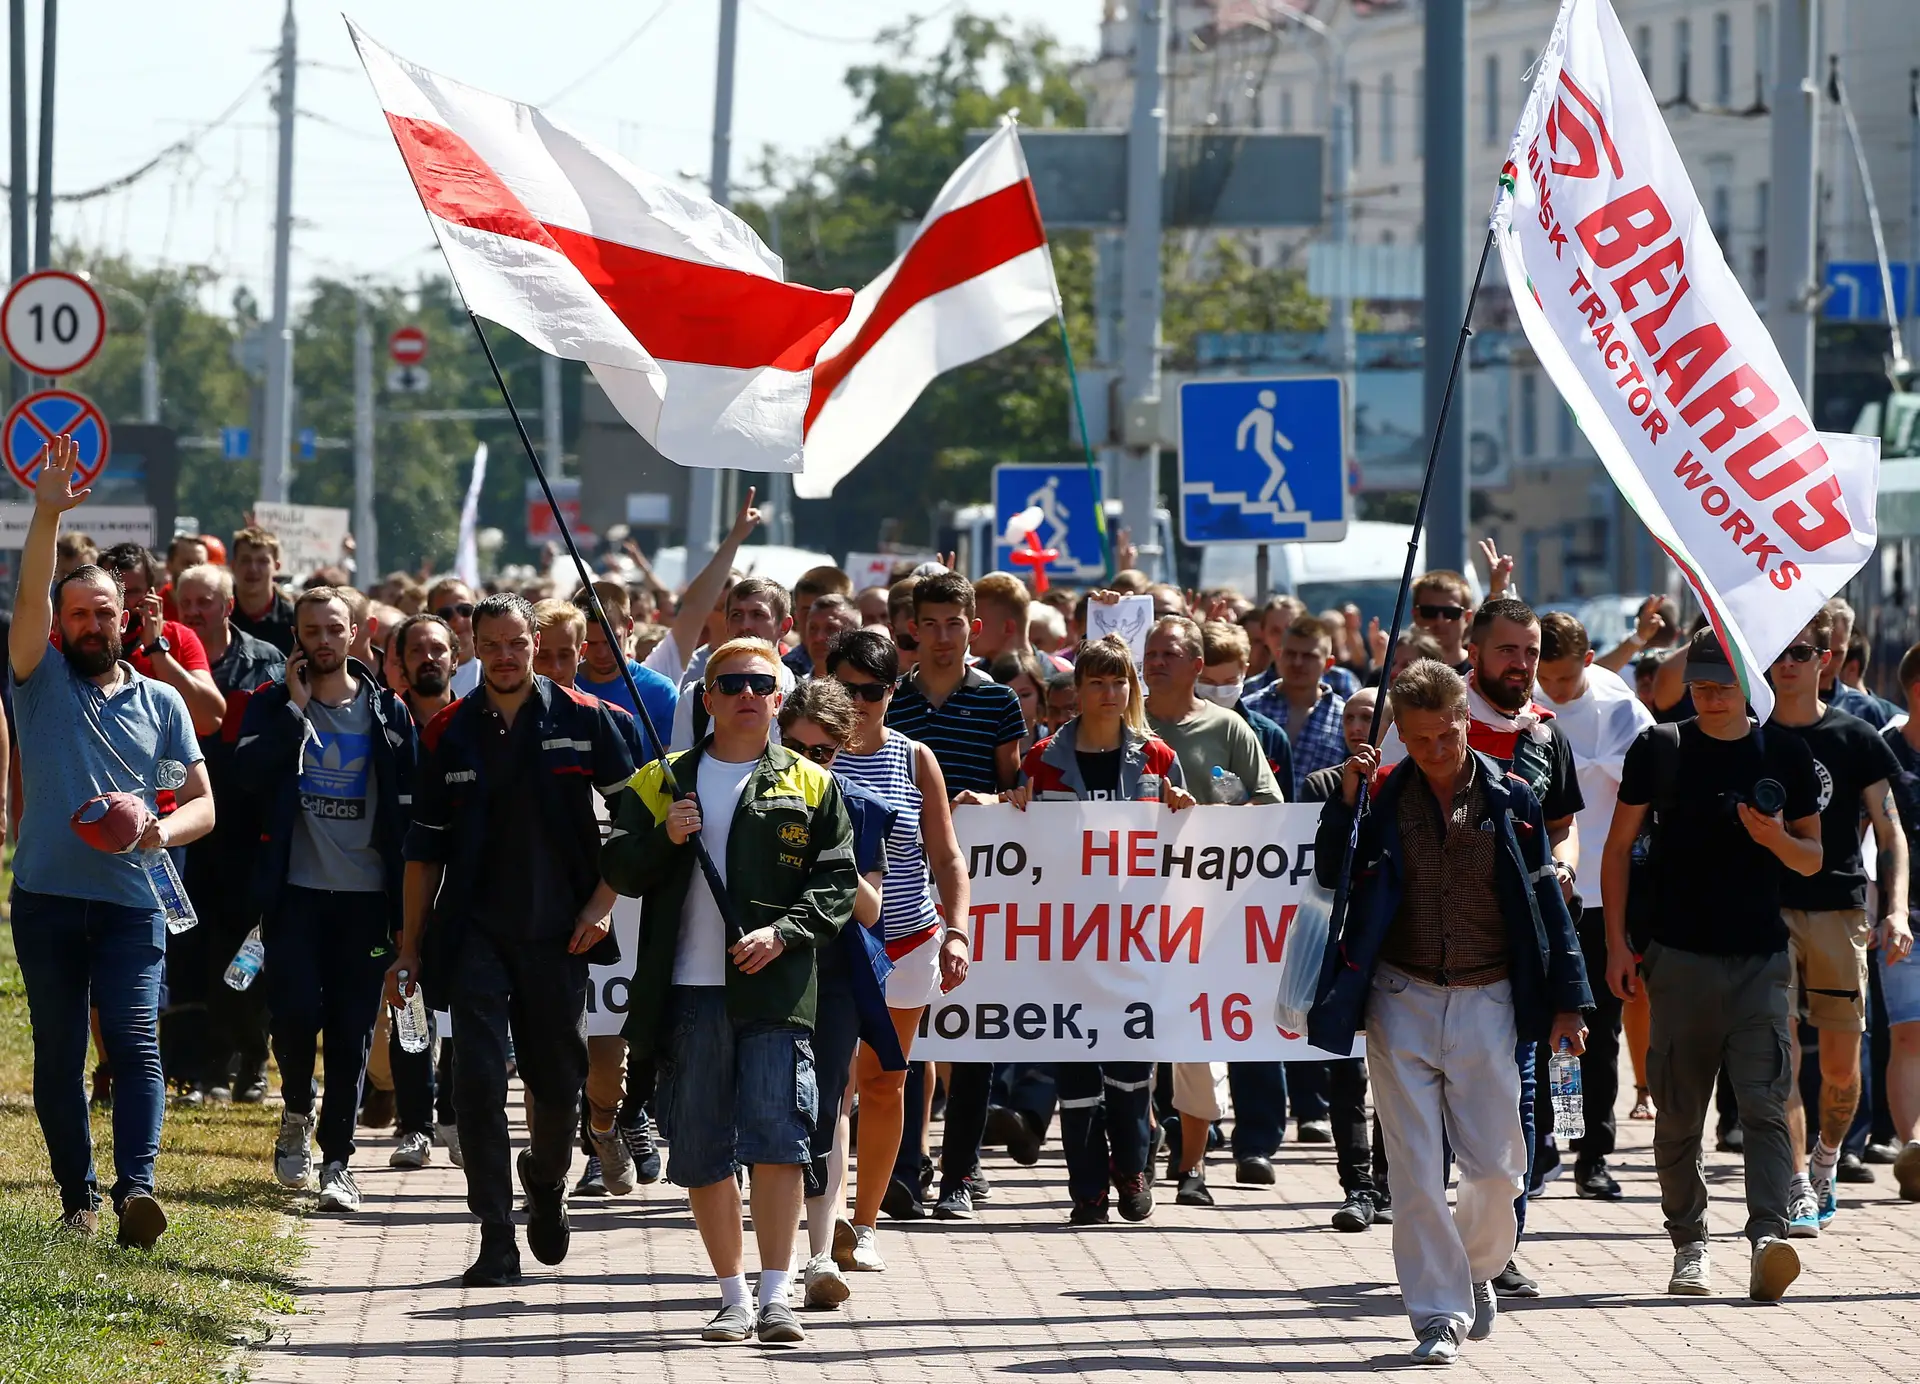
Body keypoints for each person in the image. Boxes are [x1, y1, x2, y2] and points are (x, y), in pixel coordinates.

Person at [1310, 658, 1589, 1364]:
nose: (1435, 751)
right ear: (1400, 732)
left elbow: (1546, 906)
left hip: (1490, 997)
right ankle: (1437, 1314)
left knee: (1498, 1170)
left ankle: (1478, 1265)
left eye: (1447, 736)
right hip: (1400, 996)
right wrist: (1345, 800)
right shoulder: (1379, 799)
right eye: (1421, 739)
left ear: (1466, 724)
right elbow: (1326, 875)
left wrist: (1568, 1002)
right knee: (1414, 1170)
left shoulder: (1513, 798)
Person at [602, 637, 857, 1346]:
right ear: (706, 697)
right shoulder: (662, 777)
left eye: (761, 683)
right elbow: (617, 865)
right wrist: (664, 836)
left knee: (779, 1142)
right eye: (731, 682)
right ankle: (732, 1296)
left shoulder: (811, 782)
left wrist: (783, 933)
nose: (747, 693)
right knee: (702, 1148)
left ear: (779, 699)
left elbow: (836, 884)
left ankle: (777, 1295)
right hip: (686, 993)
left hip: (776, 993)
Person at [388, 593, 636, 1287]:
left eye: (516, 644)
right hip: (471, 932)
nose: (504, 656)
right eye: (490, 645)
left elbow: (638, 823)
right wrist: (409, 947)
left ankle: (546, 1183)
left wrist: (604, 902)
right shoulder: (447, 732)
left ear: (537, 643)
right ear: (473, 649)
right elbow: (422, 852)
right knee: (476, 1078)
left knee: (559, 1084)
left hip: (563, 933)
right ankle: (495, 1231)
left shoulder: (590, 720)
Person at [9, 435, 216, 1247]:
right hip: (48, 903)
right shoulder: (40, 683)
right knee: (58, 1054)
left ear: (126, 620)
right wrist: (48, 511)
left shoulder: (162, 703)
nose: (92, 624)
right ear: (59, 625)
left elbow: (202, 803)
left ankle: (137, 1190)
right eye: (77, 614)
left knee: (135, 1043)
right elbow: (27, 599)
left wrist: (162, 827)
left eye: (105, 613)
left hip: (133, 906)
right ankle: (77, 1200)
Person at [1601, 627, 1822, 1303]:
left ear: (1747, 684)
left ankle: (1766, 1237)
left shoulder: (1783, 750)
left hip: (1760, 959)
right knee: (1678, 1116)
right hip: (1678, 959)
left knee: (1763, 1103)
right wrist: (1617, 944)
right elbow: (1617, 850)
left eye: (1723, 685)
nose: (1712, 698)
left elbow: (1813, 858)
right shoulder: (1660, 749)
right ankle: (1689, 1245)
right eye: (1700, 687)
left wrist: (1774, 837)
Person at [232, 588, 418, 1213]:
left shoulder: (389, 712)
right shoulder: (271, 703)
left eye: (333, 629)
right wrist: (293, 710)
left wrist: (408, 909)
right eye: (310, 630)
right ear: (297, 635)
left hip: (365, 898)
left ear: (356, 633)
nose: (322, 640)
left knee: (352, 1030)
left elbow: (412, 807)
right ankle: (294, 1109)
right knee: (290, 1016)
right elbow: (245, 776)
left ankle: (337, 1159)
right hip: (294, 895)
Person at [1011, 635, 1194, 1223]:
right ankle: (1086, 1189)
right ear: (1078, 691)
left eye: (1120, 683)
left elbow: (1184, 847)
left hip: (1135, 937)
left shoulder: (1157, 758)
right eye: (1097, 683)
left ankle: (1133, 1168)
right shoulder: (1041, 760)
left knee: (1130, 1068)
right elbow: (1018, 842)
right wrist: (1002, 806)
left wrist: (1183, 811)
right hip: (1067, 940)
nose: (1110, 693)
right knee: (1076, 1073)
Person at [883, 569, 1026, 1219]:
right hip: (906, 886)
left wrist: (993, 801)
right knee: (908, 1033)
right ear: (913, 628)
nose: (943, 638)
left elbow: (1019, 792)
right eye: (931, 624)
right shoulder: (895, 700)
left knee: (974, 1033)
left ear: (975, 629)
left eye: (955, 624)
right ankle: (907, 1166)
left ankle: (962, 1174)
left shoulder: (999, 703)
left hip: (981, 884)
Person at [824, 630, 972, 1240]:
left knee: (885, 1082)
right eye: (845, 688)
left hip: (907, 939)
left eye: (874, 690)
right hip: (826, 944)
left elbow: (947, 857)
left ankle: (862, 1226)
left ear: (892, 692)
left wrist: (959, 931)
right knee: (830, 1086)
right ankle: (821, 1222)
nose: (859, 702)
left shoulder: (914, 758)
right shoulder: (804, 753)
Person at [1765, 608, 1907, 1234]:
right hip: (1767, 912)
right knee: (1782, 1056)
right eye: (1779, 652)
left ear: (1825, 660)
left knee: (1843, 1068)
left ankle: (1826, 1162)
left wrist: (1895, 908)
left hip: (1842, 909)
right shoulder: (1751, 736)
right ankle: (1797, 1182)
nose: (1788, 664)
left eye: (1801, 652)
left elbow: (1890, 830)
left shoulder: (1856, 737)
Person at [1139, 614, 1290, 1196]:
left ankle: (1191, 1164)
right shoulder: (1120, 726)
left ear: (1197, 665)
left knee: (1193, 1039)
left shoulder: (1229, 729)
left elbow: (1268, 806)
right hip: (1125, 909)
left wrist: (1210, 818)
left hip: (1205, 910)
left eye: (1171, 651)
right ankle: (1137, 1150)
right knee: (1126, 1039)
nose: (1157, 660)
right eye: (1151, 650)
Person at [774, 680, 896, 1308]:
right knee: (770, 1110)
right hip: (764, 968)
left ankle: (819, 1254)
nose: (805, 762)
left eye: (821, 753)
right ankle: (770, 1263)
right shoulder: (752, 796)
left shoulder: (863, 806)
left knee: (825, 1106)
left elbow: (872, 911)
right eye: (794, 747)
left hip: (838, 973)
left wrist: (834, 843)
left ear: (843, 748)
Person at [1533, 611, 1654, 1200]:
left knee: (1601, 1028)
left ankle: (1595, 1155)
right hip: (1549, 891)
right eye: (1543, 677)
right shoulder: (1525, 707)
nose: (1552, 690)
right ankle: (1556, 1135)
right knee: (1551, 1030)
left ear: (1588, 661)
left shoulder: (1621, 708)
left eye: (1562, 678)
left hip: (1608, 896)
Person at [172, 563, 284, 1105]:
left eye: (203, 602)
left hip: (247, 831)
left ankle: (252, 1062)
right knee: (194, 951)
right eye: (185, 603)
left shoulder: (265, 663)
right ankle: (208, 1065)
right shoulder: (157, 658)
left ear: (227, 606)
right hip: (185, 830)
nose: (193, 612)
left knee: (247, 952)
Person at [1298, 684, 1395, 1233]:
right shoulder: (1324, 785)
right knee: (1345, 1071)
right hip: (1343, 943)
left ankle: (1388, 1183)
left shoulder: (1406, 785)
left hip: (1395, 945)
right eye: (1352, 717)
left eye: (1371, 716)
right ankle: (1356, 1185)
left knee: (1394, 1073)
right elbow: (1327, 867)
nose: (1360, 726)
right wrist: (1347, 800)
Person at [97, 543, 226, 737]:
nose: (121, 602)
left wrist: (156, 649)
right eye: (114, 590)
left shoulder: (178, 636)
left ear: (150, 594)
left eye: (131, 592)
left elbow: (211, 719)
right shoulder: (80, 636)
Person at [1877, 642, 1920, 1201]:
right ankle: (1913, 1149)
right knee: (1906, 1032)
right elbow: (1878, 838)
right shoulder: (1886, 750)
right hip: (1902, 915)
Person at [668, 577, 798, 752]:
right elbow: (678, 770)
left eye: (758, 615)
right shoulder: (696, 698)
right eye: (737, 615)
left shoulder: (802, 697)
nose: (745, 625)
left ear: (784, 625)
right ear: (727, 624)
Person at [1247, 613, 1349, 801]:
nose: (1297, 663)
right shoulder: (1250, 709)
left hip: (1319, 826)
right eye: (1290, 653)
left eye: (1309, 656)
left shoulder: (1345, 718)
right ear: (1278, 655)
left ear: (1328, 664)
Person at [571, 580, 677, 755]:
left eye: (610, 640)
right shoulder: (562, 687)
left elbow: (675, 766)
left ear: (629, 627)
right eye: (590, 643)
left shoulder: (661, 691)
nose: (602, 653)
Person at [1197, 619, 1293, 794]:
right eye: (1207, 682)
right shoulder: (1175, 728)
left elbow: (1284, 807)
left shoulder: (1270, 736)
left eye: (1229, 682)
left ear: (1244, 671)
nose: (1219, 692)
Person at [230, 526, 296, 654]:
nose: (253, 569)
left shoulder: (295, 622)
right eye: (245, 560)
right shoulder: (218, 615)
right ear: (233, 565)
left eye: (262, 561)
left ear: (276, 566)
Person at [1409, 570, 1475, 673]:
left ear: (1467, 618)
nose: (1440, 621)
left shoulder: (1481, 672)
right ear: (1416, 615)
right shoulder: (1398, 671)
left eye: (1450, 612)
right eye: (1430, 612)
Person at [792, 593, 862, 681]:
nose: (819, 637)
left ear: (854, 635)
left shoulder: (868, 693)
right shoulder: (792, 690)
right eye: (813, 628)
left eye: (831, 629)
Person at [433, 578, 483, 697]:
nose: (457, 619)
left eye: (465, 610)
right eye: (446, 614)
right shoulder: (425, 674)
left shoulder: (497, 668)